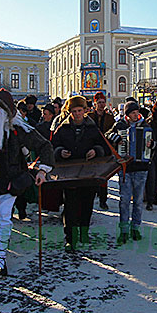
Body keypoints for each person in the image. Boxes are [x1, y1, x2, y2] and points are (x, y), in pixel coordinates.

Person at [0, 89, 52, 276]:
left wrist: (42, 170)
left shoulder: (18, 129)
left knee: (4, 218)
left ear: (6, 111)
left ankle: (0, 258)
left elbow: (45, 146)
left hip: (10, 182)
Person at [52, 95, 109, 251]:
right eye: (74, 111)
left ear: (85, 111)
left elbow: (105, 148)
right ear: (69, 112)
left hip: (88, 173)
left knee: (87, 204)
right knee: (70, 206)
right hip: (68, 174)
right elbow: (52, 147)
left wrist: (95, 151)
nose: (77, 114)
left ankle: (84, 232)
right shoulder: (62, 129)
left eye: (79, 111)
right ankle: (70, 238)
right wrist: (60, 152)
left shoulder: (92, 128)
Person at [107, 101, 153, 244]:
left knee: (138, 201)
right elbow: (107, 135)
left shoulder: (145, 126)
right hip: (125, 168)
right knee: (124, 201)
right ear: (127, 114)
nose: (135, 114)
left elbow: (156, 145)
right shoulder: (120, 125)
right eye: (133, 112)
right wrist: (116, 138)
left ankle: (136, 228)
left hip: (141, 168)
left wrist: (152, 145)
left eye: (136, 112)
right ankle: (124, 230)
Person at [88, 92, 115, 210]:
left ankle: (103, 200)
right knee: (92, 174)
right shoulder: (88, 116)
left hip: (105, 149)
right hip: (91, 148)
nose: (101, 104)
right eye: (99, 102)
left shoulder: (110, 118)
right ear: (95, 104)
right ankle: (92, 196)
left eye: (103, 102)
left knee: (104, 175)